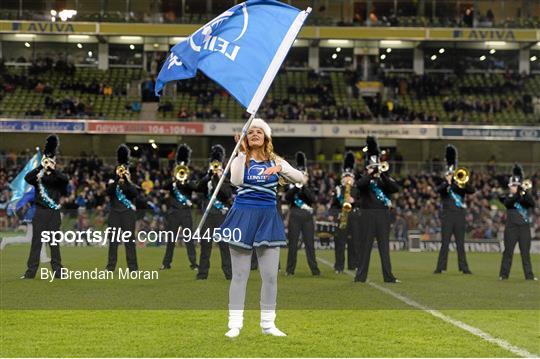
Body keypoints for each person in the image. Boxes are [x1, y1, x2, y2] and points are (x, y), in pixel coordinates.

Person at [220, 118, 306, 338]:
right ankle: (235, 324)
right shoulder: (241, 157)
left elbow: (301, 179)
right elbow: (237, 180)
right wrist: (239, 152)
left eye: (259, 131)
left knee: (270, 276)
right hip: (242, 216)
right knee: (240, 275)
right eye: (251, 132)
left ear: (266, 137)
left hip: (268, 217)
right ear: (246, 138)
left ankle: (268, 324)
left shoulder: (275, 160)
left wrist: (281, 168)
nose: (255, 134)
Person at [21, 134, 68, 279]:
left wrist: (53, 169)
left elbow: (65, 180)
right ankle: (30, 273)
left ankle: (58, 272)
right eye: (47, 161)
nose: (49, 163)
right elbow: (27, 178)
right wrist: (41, 166)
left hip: (53, 213)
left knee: (54, 243)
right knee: (36, 243)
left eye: (51, 161)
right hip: (40, 212)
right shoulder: (38, 178)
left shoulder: (57, 177)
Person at [354, 137, 400, 283]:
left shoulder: (383, 179)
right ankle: (360, 277)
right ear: (367, 167)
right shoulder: (364, 178)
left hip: (382, 215)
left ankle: (388, 276)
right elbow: (360, 185)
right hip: (367, 214)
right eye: (372, 166)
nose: (375, 168)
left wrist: (383, 175)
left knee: (384, 247)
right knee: (365, 246)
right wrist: (370, 174)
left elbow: (395, 188)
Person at [434, 145, 474, 275]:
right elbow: (438, 191)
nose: (452, 175)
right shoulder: (444, 185)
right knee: (445, 243)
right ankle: (440, 267)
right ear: (446, 175)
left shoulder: (460, 185)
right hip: (447, 216)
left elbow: (471, 190)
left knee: (460, 244)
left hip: (459, 216)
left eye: (453, 173)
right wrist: (448, 182)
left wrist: (461, 182)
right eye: (449, 174)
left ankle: (464, 268)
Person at [196, 145, 232, 280]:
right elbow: (198, 188)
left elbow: (226, 194)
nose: (216, 169)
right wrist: (208, 176)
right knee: (205, 246)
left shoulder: (226, 180)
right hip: (207, 216)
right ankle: (202, 274)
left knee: (224, 246)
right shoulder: (207, 179)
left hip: (221, 217)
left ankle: (229, 273)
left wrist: (218, 178)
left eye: (219, 167)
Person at [160, 144, 198, 270]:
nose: (181, 172)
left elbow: (195, 187)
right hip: (174, 213)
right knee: (170, 240)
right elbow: (164, 186)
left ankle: (193, 263)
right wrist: (173, 179)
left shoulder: (188, 182)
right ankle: (166, 264)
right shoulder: (172, 183)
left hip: (186, 213)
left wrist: (185, 180)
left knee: (189, 240)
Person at [498, 165, 537, 281]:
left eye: (517, 185)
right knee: (508, 252)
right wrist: (518, 194)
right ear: (510, 187)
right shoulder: (506, 197)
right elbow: (508, 204)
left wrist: (524, 192)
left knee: (525, 253)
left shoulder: (524, 197)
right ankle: (503, 275)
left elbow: (532, 203)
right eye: (513, 186)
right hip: (511, 228)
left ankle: (529, 276)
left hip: (524, 228)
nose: (515, 187)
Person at [285, 151, 320, 276]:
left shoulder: (311, 186)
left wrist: (304, 186)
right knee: (293, 244)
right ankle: (290, 270)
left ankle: (315, 270)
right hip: (295, 214)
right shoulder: (291, 186)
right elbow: (287, 198)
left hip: (307, 216)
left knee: (310, 244)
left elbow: (313, 199)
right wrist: (296, 186)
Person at [105, 144, 139, 272]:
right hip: (114, 213)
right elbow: (108, 192)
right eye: (121, 171)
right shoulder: (113, 183)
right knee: (113, 242)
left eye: (125, 171)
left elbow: (134, 193)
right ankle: (110, 267)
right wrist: (116, 178)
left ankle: (133, 268)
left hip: (128, 213)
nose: (122, 173)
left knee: (130, 242)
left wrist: (127, 179)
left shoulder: (131, 182)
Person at [0, 188, 50, 263]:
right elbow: (25, 199)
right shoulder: (36, 189)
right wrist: (19, 209)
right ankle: (43, 257)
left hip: (36, 214)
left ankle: (6, 240)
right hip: (34, 215)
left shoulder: (42, 189)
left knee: (29, 238)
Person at [332, 151, 358, 273]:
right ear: (343, 178)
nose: (348, 179)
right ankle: (339, 266)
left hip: (353, 218)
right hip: (341, 217)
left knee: (354, 242)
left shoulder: (357, 190)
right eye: (346, 177)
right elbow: (333, 204)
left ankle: (353, 265)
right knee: (340, 243)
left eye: (350, 177)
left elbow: (362, 203)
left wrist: (354, 200)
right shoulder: (338, 189)